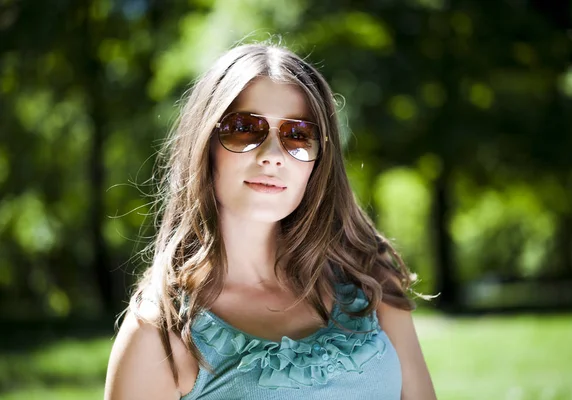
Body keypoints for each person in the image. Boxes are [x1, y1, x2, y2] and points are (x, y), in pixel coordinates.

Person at [104, 43, 436, 400]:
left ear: (318, 161)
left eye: (297, 135)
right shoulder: (160, 332)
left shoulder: (370, 279)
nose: (273, 156)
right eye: (245, 128)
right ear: (205, 145)